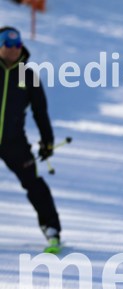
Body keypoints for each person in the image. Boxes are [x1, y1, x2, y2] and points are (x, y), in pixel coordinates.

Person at [0, 26, 61, 251]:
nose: (14, 49)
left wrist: (47, 140)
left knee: (34, 183)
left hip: (13, 141)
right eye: (8, 45)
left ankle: (51, 229)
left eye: (18, 45)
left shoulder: (28, 76)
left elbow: (40, 111)